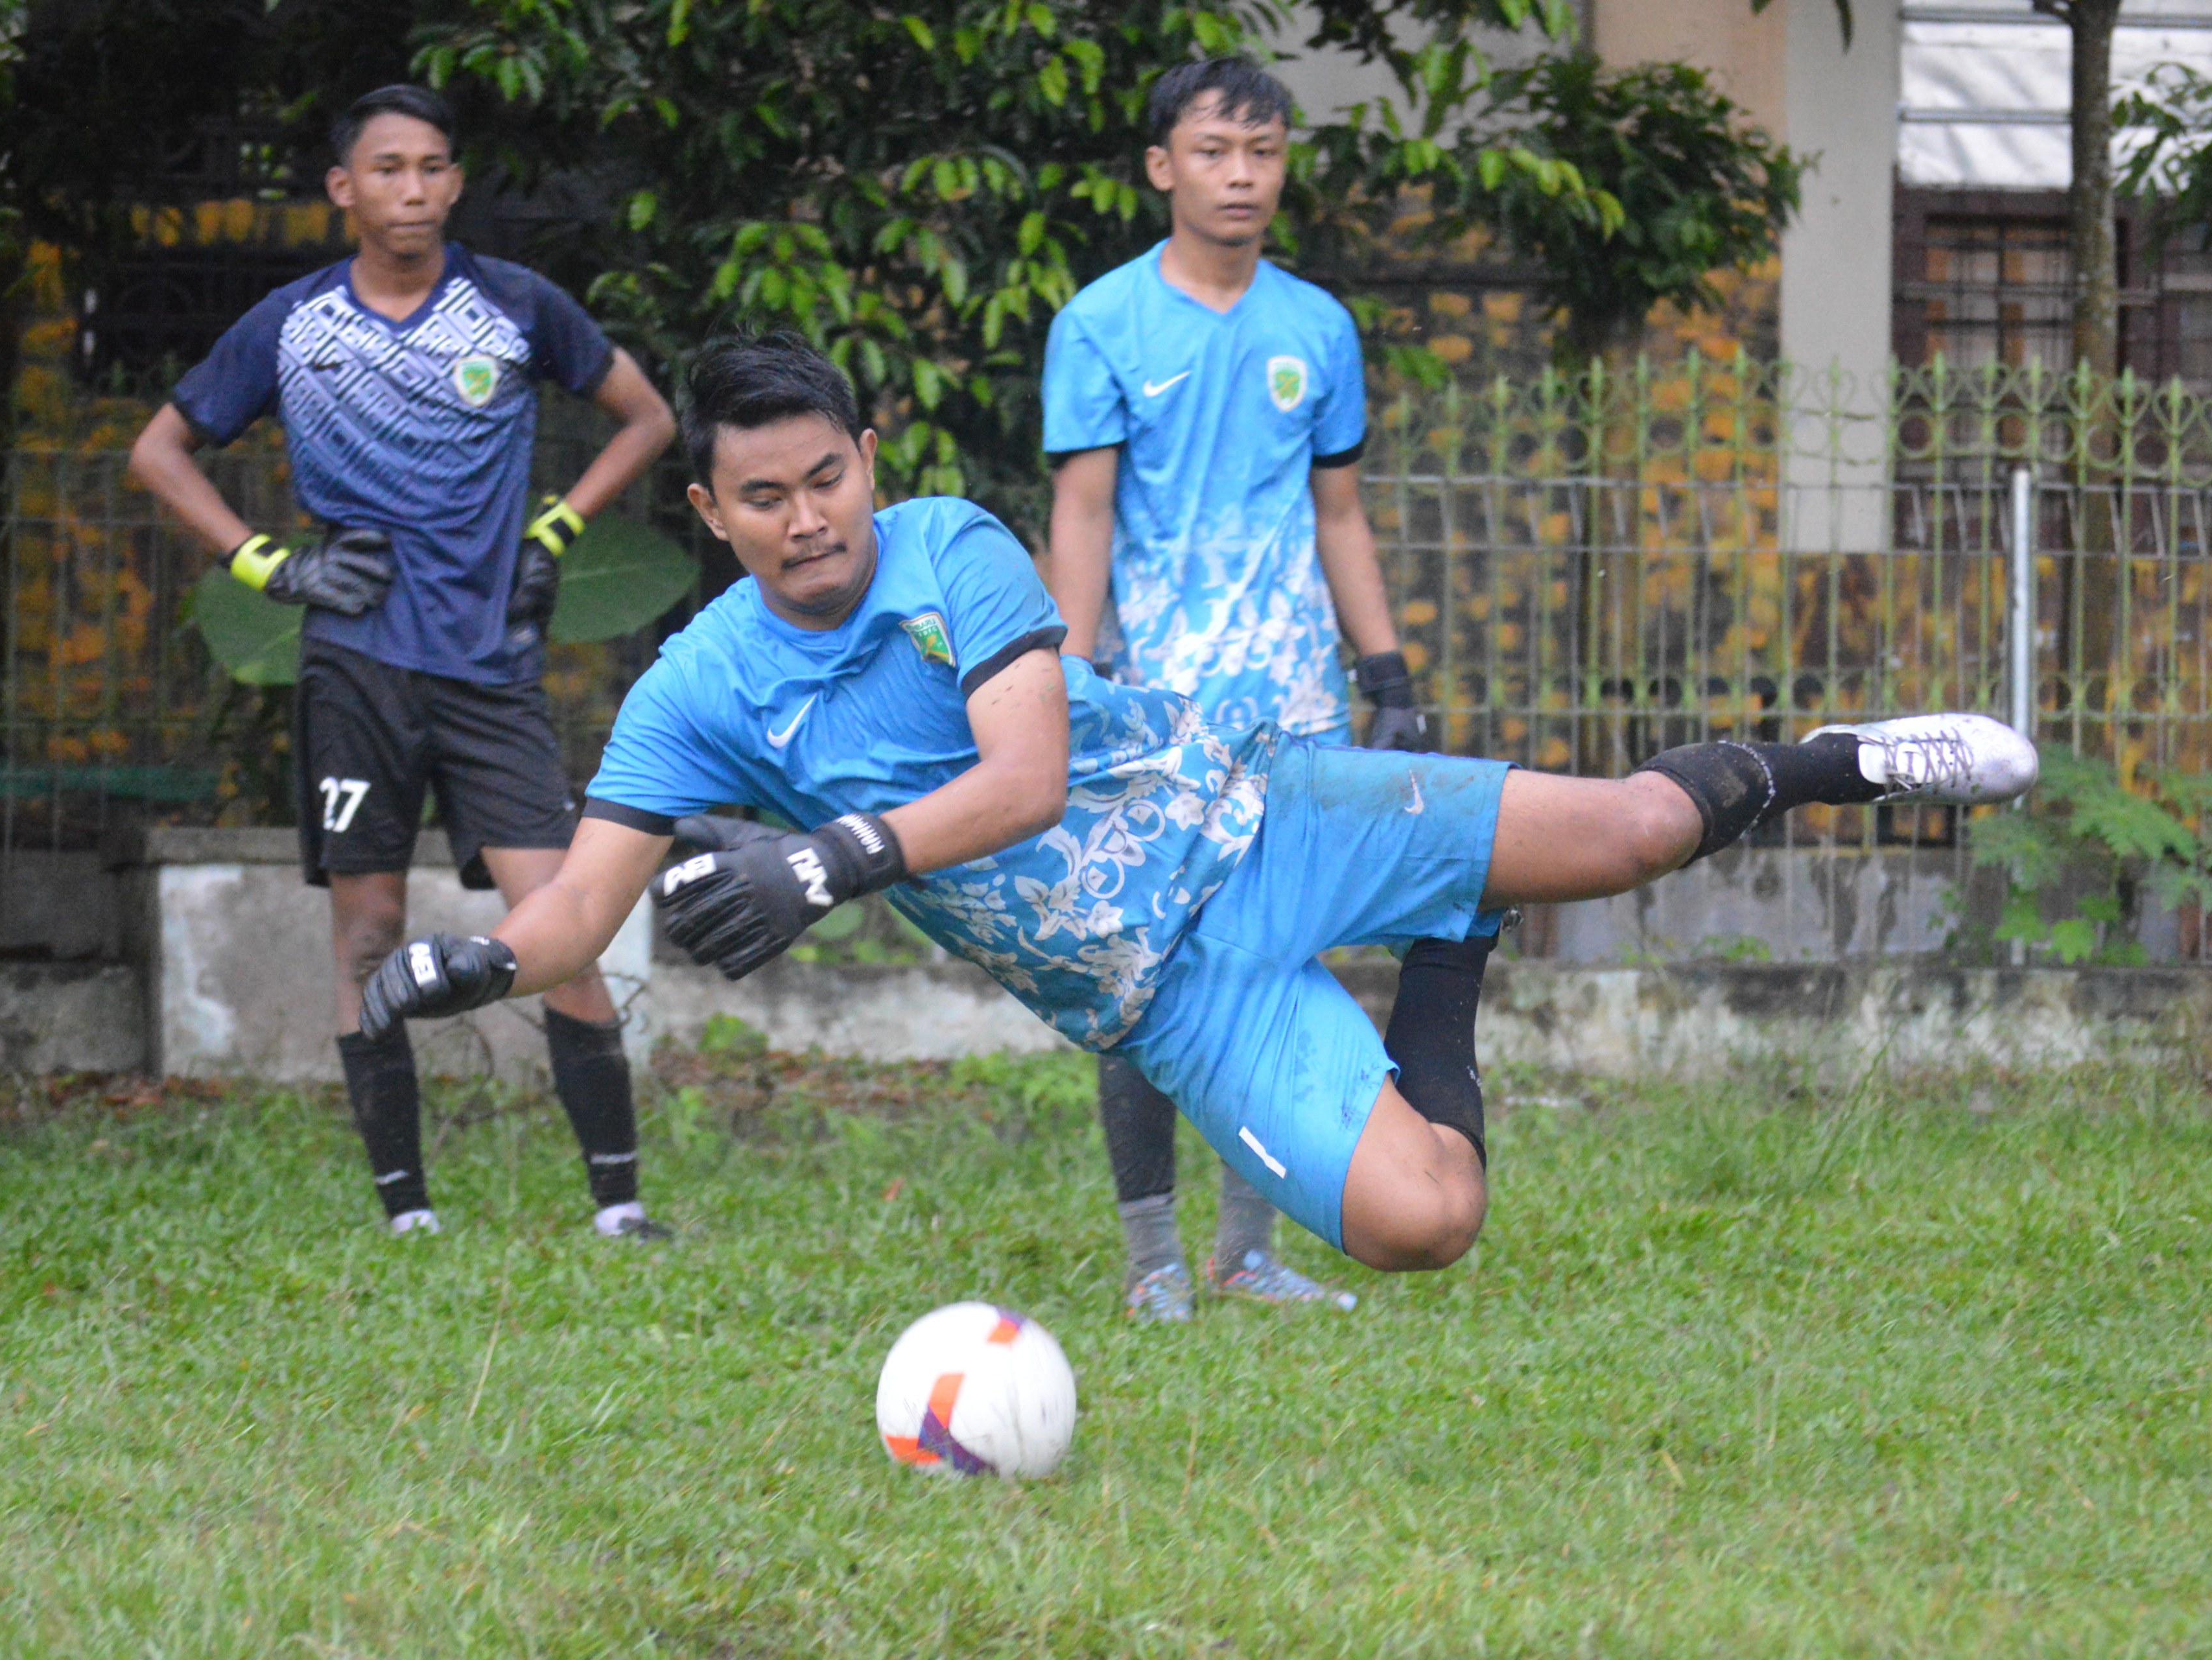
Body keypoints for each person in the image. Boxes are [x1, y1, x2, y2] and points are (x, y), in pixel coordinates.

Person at [354, 334, 2036, 1291]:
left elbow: (1021, 779)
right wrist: (471, 965)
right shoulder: (699, 688)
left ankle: (1837, 757)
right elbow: (580, 915)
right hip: (1167, 992)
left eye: (829, 479)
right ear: (709, 511)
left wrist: (837, 857)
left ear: (868, 458)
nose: (810, 522)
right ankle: (1455, 935)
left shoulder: (950, 550)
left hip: (1262, 811)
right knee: (1426, 1226)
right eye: (765, 498)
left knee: (1636, 837)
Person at [126, 83, 679, 1240]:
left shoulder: (514, 305)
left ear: (456, 183)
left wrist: (555, 531)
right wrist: (269, 567)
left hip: (492, 671)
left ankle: (622, 1210)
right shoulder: (292, 323)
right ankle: (405, 1214)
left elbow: (648, 419)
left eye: (432, 167)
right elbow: (159, 453)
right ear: (344, 189)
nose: (412, 189)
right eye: (387, 169)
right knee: (368, 933)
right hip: (356, 672)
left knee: (562, 925)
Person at [1043, 54, 1430, 1320]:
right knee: (1142, 973)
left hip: (1293, 710)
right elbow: (1082, 513)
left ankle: (1245, 1252)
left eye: (1263, 152)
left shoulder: (1318, 329)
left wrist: (1387, 673)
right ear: (1163, 166)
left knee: (1276, 961)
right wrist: (1068, 683)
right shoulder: (1100, 325)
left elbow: (1340, 515)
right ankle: (1152, 1260)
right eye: (1214, 151)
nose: (1241, 176)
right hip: (1153, 709)